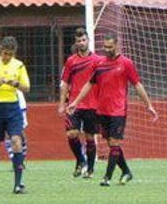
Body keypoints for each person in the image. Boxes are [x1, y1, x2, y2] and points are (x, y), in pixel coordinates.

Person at [67, 34, 158, 187]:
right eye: (105, 47)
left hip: (118, 110)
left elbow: (138, 85)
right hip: (102, 110)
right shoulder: (100, 63)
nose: (107, 49)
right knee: (111, 143)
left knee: (115, 142)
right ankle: (127, 172)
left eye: (110, 47)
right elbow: (89, 84)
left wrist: (148, 105)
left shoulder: (126, 63)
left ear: (116, 45)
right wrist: (75, 102)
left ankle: (107, 177)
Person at [0, 36, 30, 194]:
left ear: (14, 53)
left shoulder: (19, 66)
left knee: (16, 141)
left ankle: (18, 183)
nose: (6, 57)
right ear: (0, 49)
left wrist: (16, 84)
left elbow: (26, 87)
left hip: (13, 107)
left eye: (9, 54)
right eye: (4, 53)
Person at [58, 27, 103, 178]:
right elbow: (65, 82)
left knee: (90, 137)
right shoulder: (71, 61)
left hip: (92, 104)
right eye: (79, 41)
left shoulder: (97, 60)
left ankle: (90, 169)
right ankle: (80, 160)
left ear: (88, 40)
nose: (82, 43)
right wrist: (61, 104)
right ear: (75, 43)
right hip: (74, 104)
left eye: (84, 40)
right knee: (72, 134)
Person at [4, 90, 29, 163]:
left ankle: (21, 159)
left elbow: (26, 86)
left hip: (17, 102)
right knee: (7, 132)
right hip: (2, 101)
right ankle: (14, 160)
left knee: (19, 132)